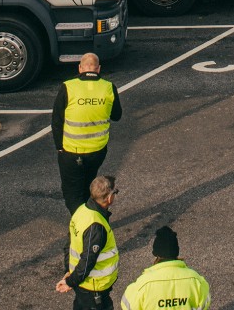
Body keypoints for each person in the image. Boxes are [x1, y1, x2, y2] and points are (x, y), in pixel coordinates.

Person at [53, 52, 123, 212]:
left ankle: (83, 225)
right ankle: (93, 215)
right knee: (87, 186)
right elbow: (117, 116)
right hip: (97, 151)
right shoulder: (109, 87)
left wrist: (59, 147)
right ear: (98, 69)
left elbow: (57, 120)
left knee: (72, 194)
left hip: (71, 152)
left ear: (80, 68)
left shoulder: (68, 87)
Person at [56, 174, 120, 309]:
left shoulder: (81, 211)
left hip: (83, 285)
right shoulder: (96, 226)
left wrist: (69, 272)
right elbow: (87, 260)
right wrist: (70, 281)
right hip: (94, 288)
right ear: (109, 198)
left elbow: (69, 244)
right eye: (116, 192)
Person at [119, 225, 211, 310]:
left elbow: (127, 305)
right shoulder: (196, 280)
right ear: (176, 252)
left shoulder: (143, 284)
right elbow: (204, 304)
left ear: (156, 254)